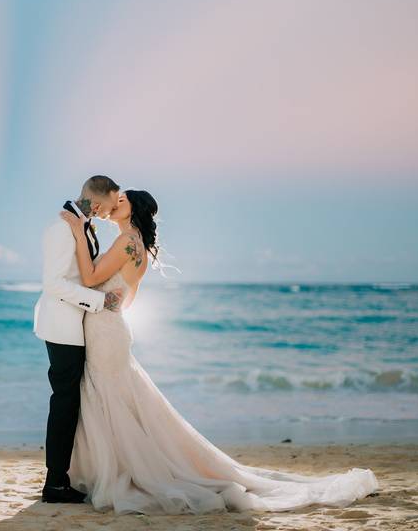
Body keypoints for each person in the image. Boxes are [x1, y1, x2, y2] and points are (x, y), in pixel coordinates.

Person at [56, 188, 379, 514]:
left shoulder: (127, 242)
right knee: (116, 403)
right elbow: (126, 299)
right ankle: (106, 469)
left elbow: (89, 276)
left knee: (111, 402)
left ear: (132, 209)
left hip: (106, 332)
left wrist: (76, 231)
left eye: (121, 200)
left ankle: (112, 472)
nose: (113, 204)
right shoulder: (135, 244)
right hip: (111, 328)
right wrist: (106, 298)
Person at [33, 175, 126, 503]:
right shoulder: (62, 229)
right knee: (64, 404)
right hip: (62, 327)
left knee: (71, 402)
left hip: (75, 325)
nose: (108, 213)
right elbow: (54, 283)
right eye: (109, 206)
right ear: (97, 203)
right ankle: (55, 484)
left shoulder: (83, 225)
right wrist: (100, 302)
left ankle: (63, 477)